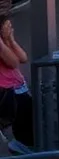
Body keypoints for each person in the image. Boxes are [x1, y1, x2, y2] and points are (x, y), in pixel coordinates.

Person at [0, 13, 34, 145]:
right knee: (24, 127)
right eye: (8, 26)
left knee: (26, 123)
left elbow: (23, 58)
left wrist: (10, 40)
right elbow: (13, 62)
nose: (11, 29)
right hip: (7, 91)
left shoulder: (5, 41)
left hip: (18, 88)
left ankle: (24, 156)